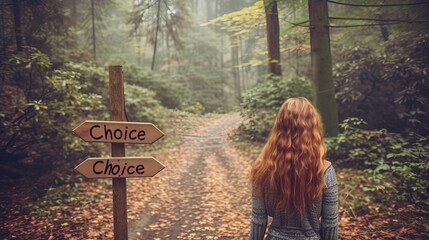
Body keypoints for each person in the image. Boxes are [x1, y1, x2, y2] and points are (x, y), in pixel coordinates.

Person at [250, 97, 338, 240]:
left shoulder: (262, 169)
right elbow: (330, 225)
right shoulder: (325, 171)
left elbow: (258, 220)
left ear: (279, 127)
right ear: (313, 128)